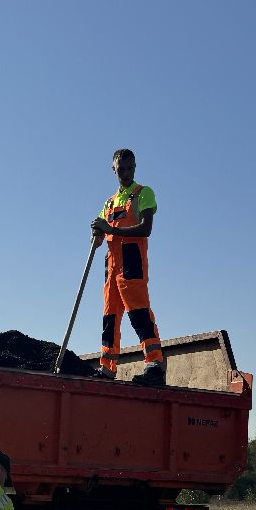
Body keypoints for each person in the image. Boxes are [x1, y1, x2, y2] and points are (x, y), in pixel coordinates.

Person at [90, 148, 165, 386]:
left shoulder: (143, 193)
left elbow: (146, 228)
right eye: (120, 169)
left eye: (129, 168)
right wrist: (97, 233)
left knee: (139, 313)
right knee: (110, 317)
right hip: (111, 267)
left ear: (135, 167)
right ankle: (107, 368)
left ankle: (155, 365)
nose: (125, 173)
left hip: (132, 262)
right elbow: (101, 234)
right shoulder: (109, 203)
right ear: (113, 169)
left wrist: (110, 229)